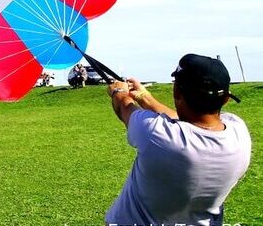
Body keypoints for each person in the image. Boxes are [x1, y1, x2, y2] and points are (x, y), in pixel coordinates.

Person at [105, 54, 251, 226]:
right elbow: (189, 124)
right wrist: (145, 97)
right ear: (226, 99)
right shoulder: (239, 132)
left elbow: (123, 107)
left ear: (176, 91)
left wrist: (118, 91)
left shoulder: (153, 133)